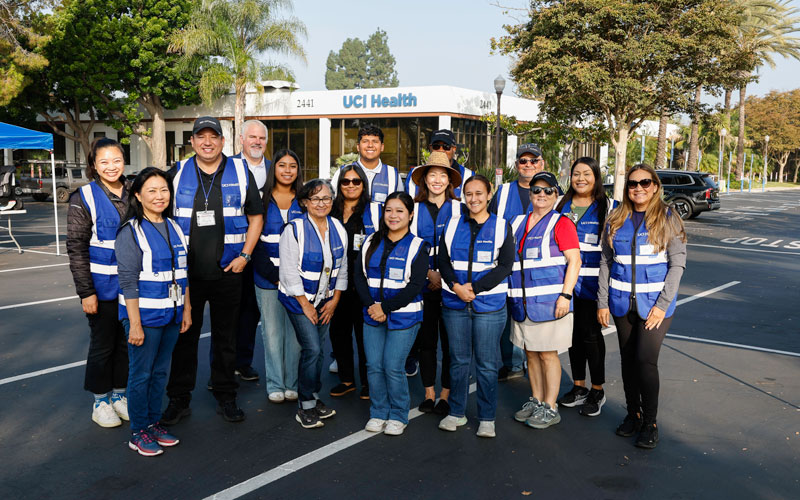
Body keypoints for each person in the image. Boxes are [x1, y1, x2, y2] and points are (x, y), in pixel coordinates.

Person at [163, 116, 264, 425]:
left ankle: (226, 395)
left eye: (213, 136)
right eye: (200, 136)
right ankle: (179, 400)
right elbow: (159, 216)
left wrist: (245, 256)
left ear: (223, 141)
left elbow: (256, 216)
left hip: (228, 272)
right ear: (191, 141)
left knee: (226, 339)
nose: (207, 142)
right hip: (186, 275)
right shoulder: (176, 173)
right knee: (184, 339)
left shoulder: (240, 170)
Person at [597, 164, 687, 449]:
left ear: (655, 187)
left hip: (655, 307)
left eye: (645, 183)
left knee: (645, 361)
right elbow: (606, 262)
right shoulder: (615, 219)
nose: (638, 188)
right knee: (627, 361)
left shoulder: (669, 218)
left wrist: (661, 306)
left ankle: (650, 423)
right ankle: (632, 414)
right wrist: (602, 302)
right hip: (622, 303)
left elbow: (677, 265)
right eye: (633, 184)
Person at [115, 167, 191, 456]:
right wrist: (134, 323)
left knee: (160, 373)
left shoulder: (174, 226)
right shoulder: (130, 231)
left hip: (171, 314)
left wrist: (187, 309)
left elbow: (183, 272)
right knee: (141, 374)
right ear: (137, 195)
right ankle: (138, 431)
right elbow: (128, 281)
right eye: (152, 191)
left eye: (164, 190)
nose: (160, 196)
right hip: (144, 318)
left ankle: (153, 423)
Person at [438, 175, 515, 438]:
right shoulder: (452, 224)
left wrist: (475, 288)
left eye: (479, 193)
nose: (473, 199)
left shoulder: (502, 226)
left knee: (486, 364)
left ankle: (486, 418)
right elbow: (443, 261)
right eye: (468, 194)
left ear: (489, 194)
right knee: (458, 362)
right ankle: (456, 412)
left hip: (489, 306)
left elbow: (505, 266)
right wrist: (457, 287)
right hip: (455, 303)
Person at [508, 171, 581, 430]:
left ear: (556, 195)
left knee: (548, 354)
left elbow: (575, 261)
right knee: (531, 354)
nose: (542, 194)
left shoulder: (562, 223)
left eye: (548, 190)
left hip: (550, 304)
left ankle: (551, 406)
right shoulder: (516, 222)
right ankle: (537, 400)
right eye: (537, 190)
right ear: (530, 194)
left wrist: (565, 295)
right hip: (522, 304)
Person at [66, 137, 130, 428]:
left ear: (124, 160)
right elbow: (76, 248)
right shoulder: (84, 197)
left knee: (127, 344)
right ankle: (100, 401)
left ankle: (120, 395)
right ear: (93, 165)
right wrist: (86, 292)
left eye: (116, 160)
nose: (111, 166)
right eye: (103, 161)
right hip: (101, 290)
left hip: (133, 288)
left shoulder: (135, 191)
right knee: (103, 345)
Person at [355, 192, 429, 436]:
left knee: (392, 366)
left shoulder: (418, 246)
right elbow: (359, 277)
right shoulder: (369, 242)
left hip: (405, 316)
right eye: (389, 210)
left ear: (410, 215)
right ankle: (378, 412)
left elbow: (416, 285)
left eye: (399, 211)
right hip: (372, 314)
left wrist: (384, 308)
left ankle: (398, 414)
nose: (393, 215)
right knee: (373, 366)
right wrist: (372, 306)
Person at [279, 179, 348, 429]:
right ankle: (305, 404)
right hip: (298, 300)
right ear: (305, 203)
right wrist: (305, 305)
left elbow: (342, 269)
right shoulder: (293, 229)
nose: (322, 203)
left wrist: (334, 301)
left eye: (326, 198)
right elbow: (287, 272)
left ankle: (313, 394)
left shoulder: (338, 228)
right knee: (313, 349)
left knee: (318, 349)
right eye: (315, 199)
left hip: (326, 300)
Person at [209, 120, 271, 385]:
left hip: (264, 250)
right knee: (226, 314)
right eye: (252, 137)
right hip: (233, 251)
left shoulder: (274, 168)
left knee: (251, 311)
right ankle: (220, 370)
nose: (257, 142)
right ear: (242, 140)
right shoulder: (227, 166)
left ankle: (242, 362)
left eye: (262, 138)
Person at [555, 157, 616, 417]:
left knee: (591, 337)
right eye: (576, 174)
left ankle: (597, 389)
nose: (581, 178)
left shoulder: (609, 206)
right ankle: (578, 386)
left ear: (596, 177)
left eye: (587, 174)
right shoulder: (560, 204)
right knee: (572, 337)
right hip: (567, 283)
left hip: (594, 285)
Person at [408, 151, 462, 415]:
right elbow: (408, 246)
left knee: (451, 342)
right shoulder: (414, 209)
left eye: (443, 175)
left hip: (452, 285)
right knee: (426, 341)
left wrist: (445, 277)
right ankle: (429, 392)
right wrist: (429, 273)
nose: (437, 180)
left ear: (449, 180)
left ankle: (446, 394)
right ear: (425, 180)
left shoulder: (459, 208)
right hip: (423, 284)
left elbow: (462, 247)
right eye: (432, 175)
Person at [490, 143, 546, 382]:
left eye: (533, 161)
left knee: (538, 316)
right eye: (523, 161)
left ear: (542, 164)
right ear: (516, 166)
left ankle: (539, 362)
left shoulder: (552, 192)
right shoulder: (502, 193)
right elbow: (490, 224)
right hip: (508, 266)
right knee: (509, 315)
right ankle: (512, 363)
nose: (528, 165)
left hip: (539, 269)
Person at [252, 149, 304, 403]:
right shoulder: (260, 199)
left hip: (298, 281)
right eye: (282, 165)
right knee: (271, 334)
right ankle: (275, 384)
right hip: (268, 280)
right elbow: (255, 242)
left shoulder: (304, 200)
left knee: (294, 335)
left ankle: (292, 383)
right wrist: (274, 276)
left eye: (292, 166)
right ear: (274, 169)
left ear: (298, 171)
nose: (287, 170)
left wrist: (293, 277)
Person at [328, 164, 381, 400]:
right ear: (339, 185)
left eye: (356, 181)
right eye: (345, 181)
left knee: (365, 336)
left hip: (364, 284)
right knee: (338, 333)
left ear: (364, 185)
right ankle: (347, 379)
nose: (350, 185)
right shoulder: (331, 210)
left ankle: (370, 382)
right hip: (336, 283)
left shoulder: (374, 211)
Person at [331, 124, 401, 204]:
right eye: (365, 141)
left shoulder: (393, 174)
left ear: (382, 147)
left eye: (375, 141)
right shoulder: (343, 172)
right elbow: (331, 202)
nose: (370, 145)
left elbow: (400, 206)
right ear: (358, 147)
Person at [404, 129, 474, 199]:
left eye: (446, 146)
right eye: (436, 146)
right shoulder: (413, 174)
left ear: (454, 149)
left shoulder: (468, 176)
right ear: (430, 148)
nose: (441, 150)